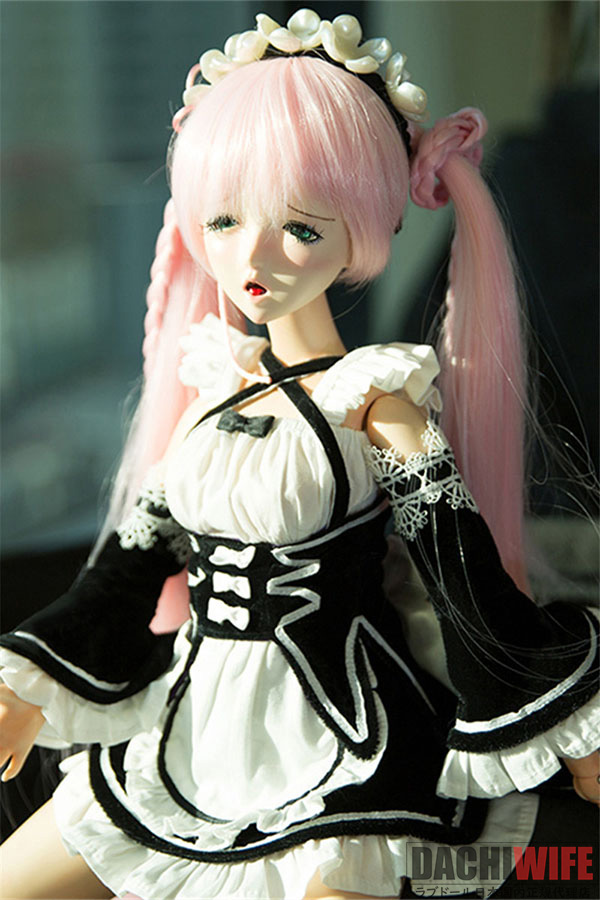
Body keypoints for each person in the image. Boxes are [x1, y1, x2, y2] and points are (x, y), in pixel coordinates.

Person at [0, 9, 598, 900]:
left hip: (342, 739)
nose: (253, 256)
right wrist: (21, 692)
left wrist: (574, 730)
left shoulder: (375, 401)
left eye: (302, 229)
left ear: (360, 230)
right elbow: (123, 577)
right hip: (191, 732)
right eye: (224, 220)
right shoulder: (212, 392)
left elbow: (463, 576)